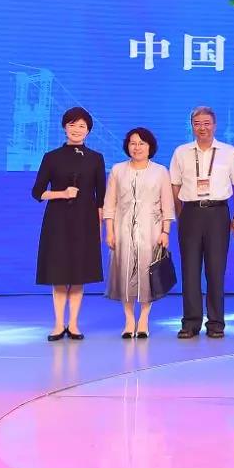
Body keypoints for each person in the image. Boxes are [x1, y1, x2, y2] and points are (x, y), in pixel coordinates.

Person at [32, 106, 106, 341]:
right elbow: (37, 192)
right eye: (72, 124)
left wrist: (101, 227)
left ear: (88, 130)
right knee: (59, 274)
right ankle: (58, 324)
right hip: (57, 222)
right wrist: (62, 194)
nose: (77, 129)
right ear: (65, 127)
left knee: (78, 274)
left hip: (85, 223)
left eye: (82, 126)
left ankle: (73, 324)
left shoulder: (96, 158)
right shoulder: (51, 157)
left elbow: (101, 198)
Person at [169, 106, 234, 339]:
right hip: (190, 213)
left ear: (214, 125)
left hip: (218, 214)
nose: (202, 128)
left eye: (206, 123)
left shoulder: (228, 152)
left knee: (216, 270)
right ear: (192, 126)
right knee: (190, 270)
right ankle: (190, 323)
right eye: (197, 123)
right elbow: (175, 186)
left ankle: (216, 323)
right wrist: (181, 214)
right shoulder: (181, 152)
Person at [104, 127, 175, 339]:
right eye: (133, 143)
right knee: (124, 274)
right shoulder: (117, 170)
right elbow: (109, 203)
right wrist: (109, 231)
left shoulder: (160, 171)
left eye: (142, 143)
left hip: (151, 230)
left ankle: (143, 318)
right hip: (122, 230)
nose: (137, 147)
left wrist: (165, 231)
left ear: (150, 147)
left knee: (147, 276)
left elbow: (167, 204)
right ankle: (128, 320)